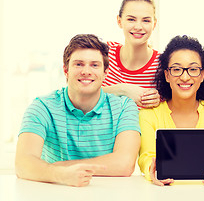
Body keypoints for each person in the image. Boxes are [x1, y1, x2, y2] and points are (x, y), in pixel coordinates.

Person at [15, 34, 141, 187]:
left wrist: (57, 167)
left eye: (94, 65)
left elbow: (124, 164)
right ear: (66, 70)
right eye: (79, 64)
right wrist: (61, 175)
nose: (86, 71)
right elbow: (23, 163)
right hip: (56, 191)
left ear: (105, 72)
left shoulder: (124, 108)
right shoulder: (42, 107)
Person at [138, 35, 204, 186]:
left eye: (193, 69)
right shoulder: (148, 115)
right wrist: (153, 170)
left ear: (202, 75)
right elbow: (146, 156)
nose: (185, 77)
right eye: (176, 69)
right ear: (167, 75)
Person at [102, 0, 160, 108]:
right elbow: (82, 93)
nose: (138, 27)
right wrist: (122, 89)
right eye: (131, 19)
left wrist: (163, 100)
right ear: (119, 21)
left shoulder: (162, 64)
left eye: (146, 20)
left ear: (154, 24)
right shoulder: (105, 53)